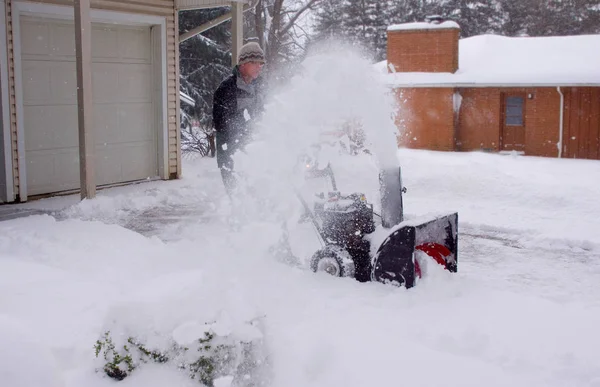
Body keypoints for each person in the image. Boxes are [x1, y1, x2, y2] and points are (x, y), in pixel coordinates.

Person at [212, 42, 266, 197]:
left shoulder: (260, 85)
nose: (259, 67)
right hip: (231, 153)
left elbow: (265, 111)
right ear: (243, 63)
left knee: (258, 195)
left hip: (253, 150)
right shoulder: (226, 88)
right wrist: (247, 129)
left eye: (260, 63)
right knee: (237, 196)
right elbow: (221, 123)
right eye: (254, 62)